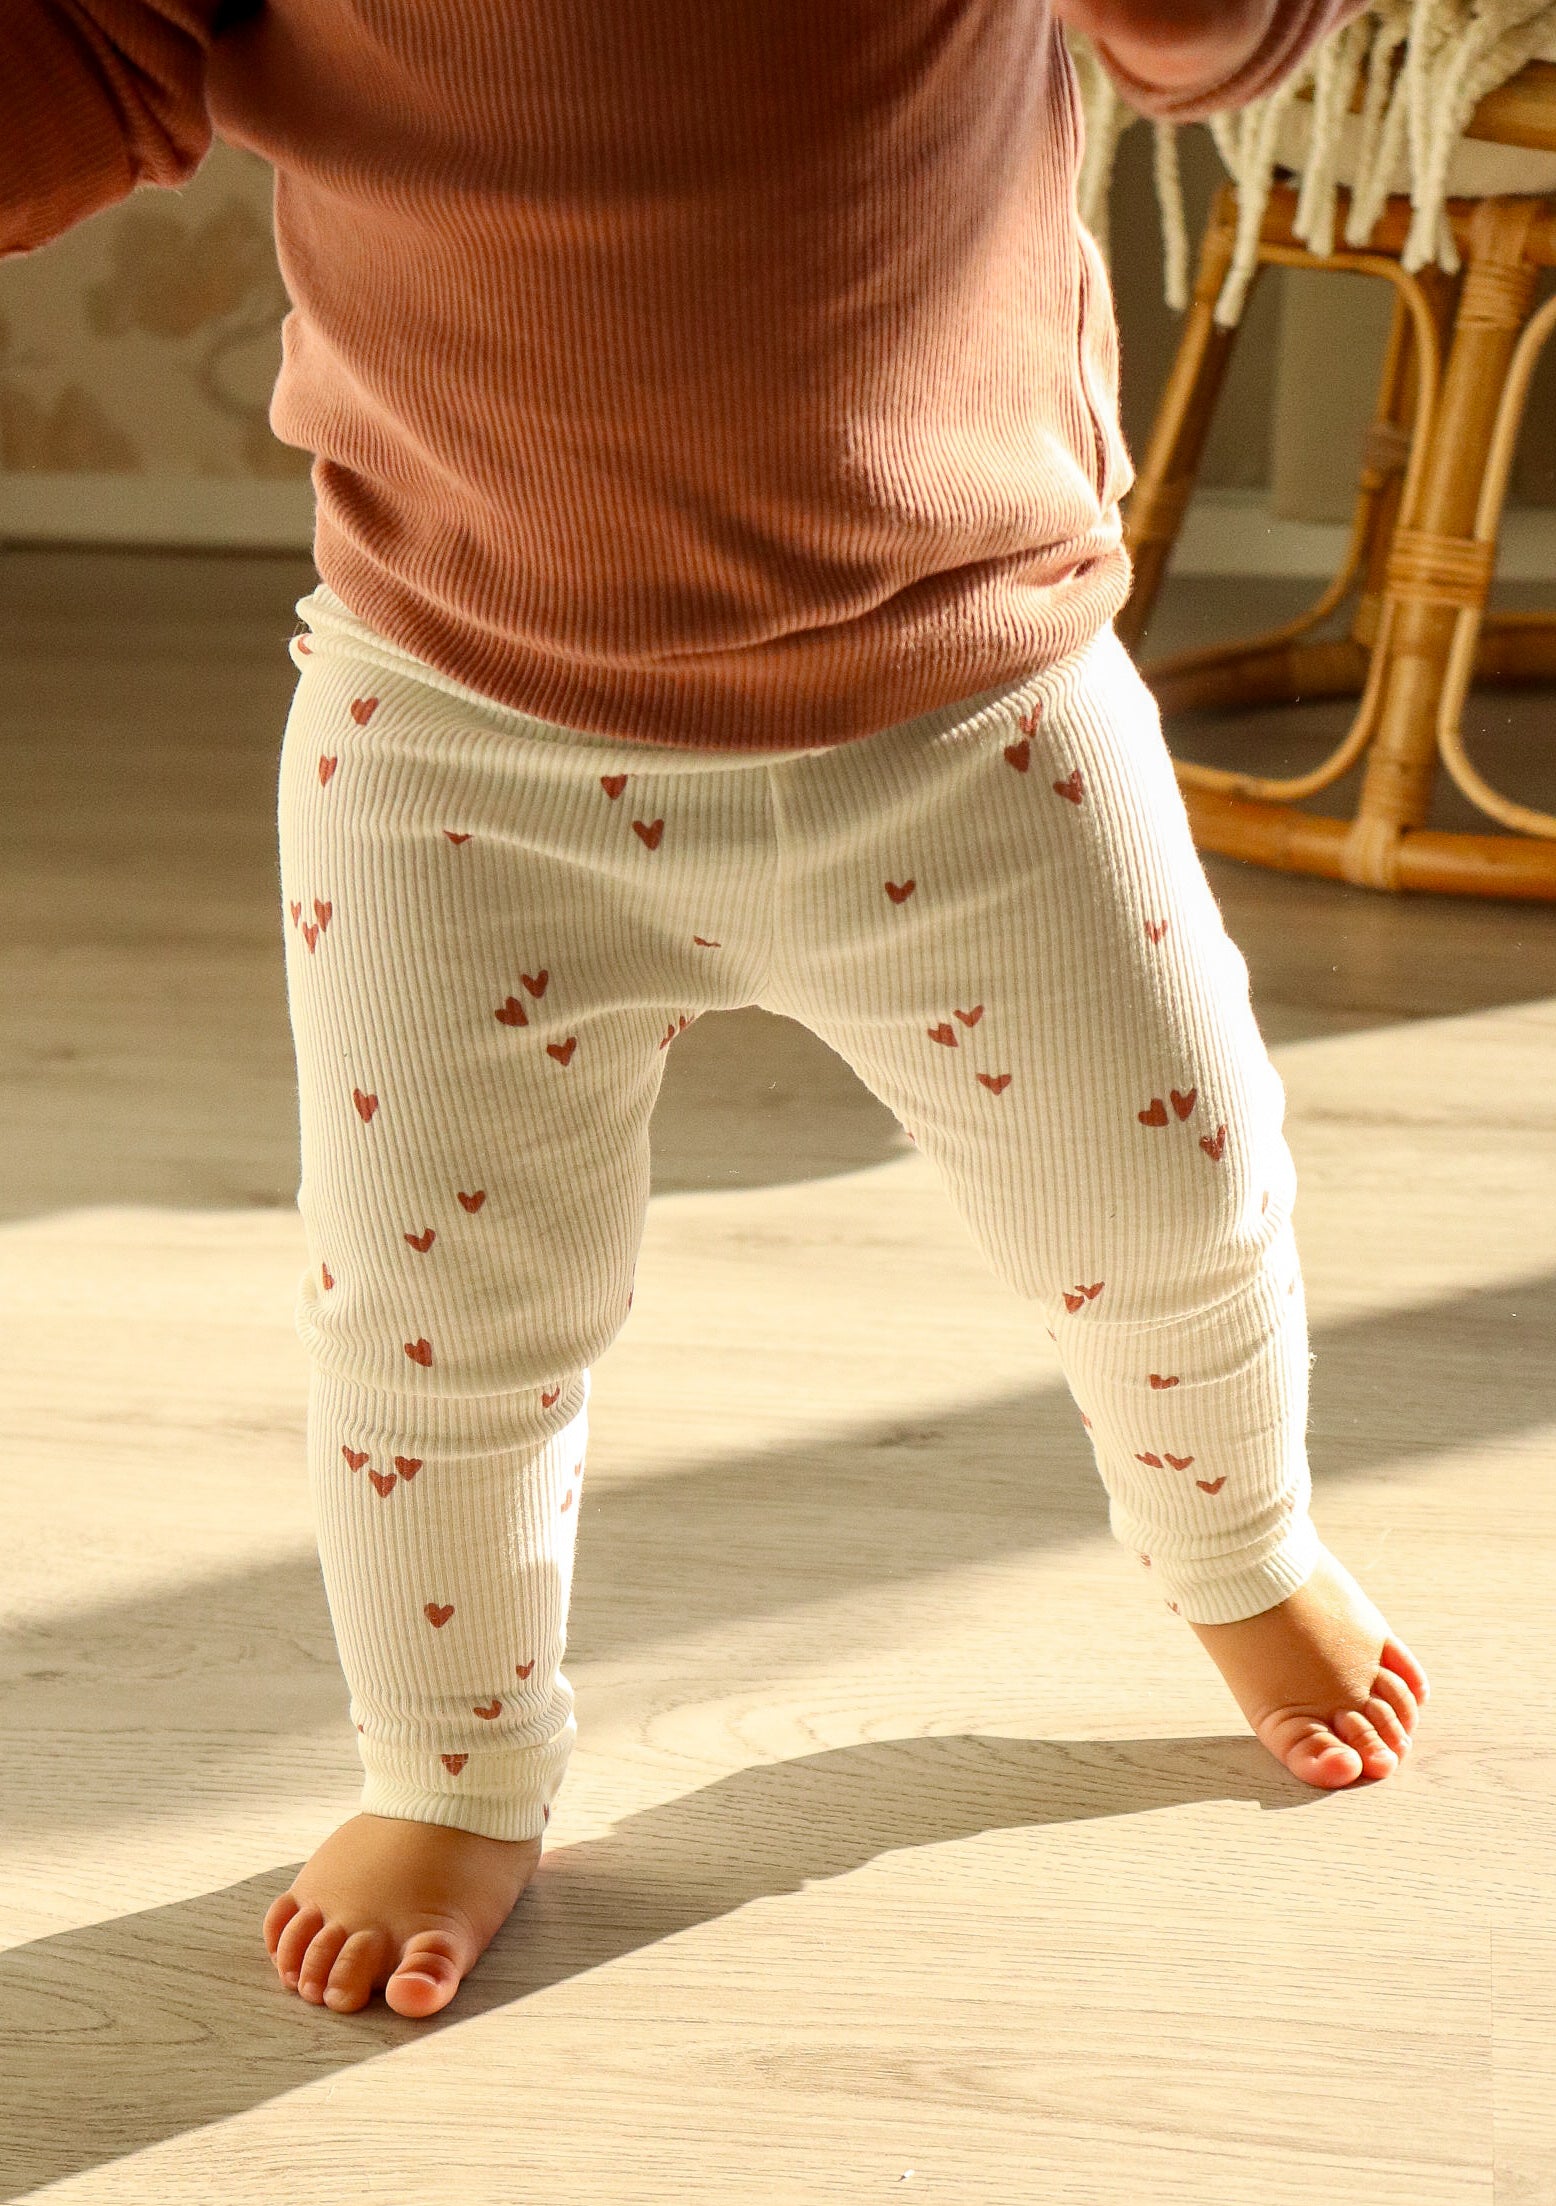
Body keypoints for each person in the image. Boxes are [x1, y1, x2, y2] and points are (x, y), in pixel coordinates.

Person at [2, 0, 1426, 2022]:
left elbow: (1208, 43)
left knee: (1173, 1199)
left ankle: (1239, 1540)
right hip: (455, 735)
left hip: (972, 697)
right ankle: (453, 1761)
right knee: (431, 1325)